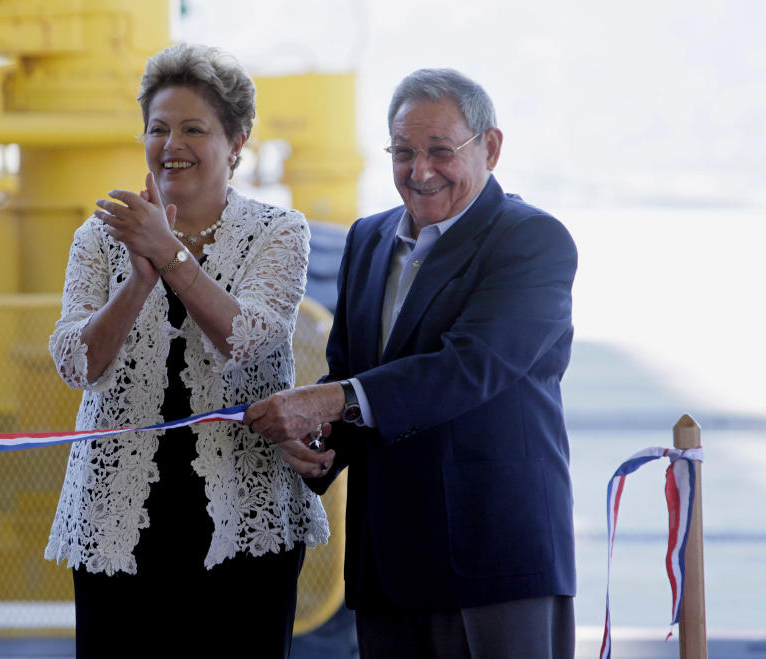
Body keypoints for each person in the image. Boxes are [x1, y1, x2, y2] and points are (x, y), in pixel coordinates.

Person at [245, 68, 578, 658]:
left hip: (492, 562)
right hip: (386, 567)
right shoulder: (368, 240)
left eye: (440, 151)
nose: (420, 171)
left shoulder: (532, 241)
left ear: (491, 147)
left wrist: (327, 402)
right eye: (403, 152)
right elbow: (349, 368)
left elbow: (470, 368)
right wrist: (320, 445)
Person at [45, 43, 329, 658]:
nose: (172, 143)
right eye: (158, 128)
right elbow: (76, 363)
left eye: (194, 129)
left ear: (237, 142)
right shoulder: (100, 235)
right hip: (117, 514)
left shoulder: (279, 232)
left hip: (243, 511)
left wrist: (168, 255)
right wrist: (138, 279)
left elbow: (249, 340)